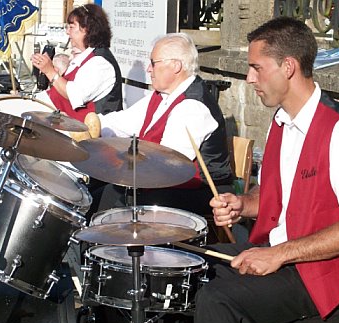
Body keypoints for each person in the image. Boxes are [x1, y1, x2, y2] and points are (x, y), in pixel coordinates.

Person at [193, 16, 339, 323]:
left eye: (257, 67)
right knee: (198, 271)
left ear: (287, 66)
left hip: (322, 272)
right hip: (285, 255)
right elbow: (278, 196)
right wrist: (242, 204)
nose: (249, 77)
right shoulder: (281, 121)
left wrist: (279, 253)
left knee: (217, 299)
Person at [79, 32, 233, 218]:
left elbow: (167, 164)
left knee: (111, 201)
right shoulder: (162, 95)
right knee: (92, 196)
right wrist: (86, 128)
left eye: (153, 63)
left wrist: (117, 161)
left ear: (176, 66)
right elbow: (124, 121)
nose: (148, 70)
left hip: (197, 193)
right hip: (162, 183)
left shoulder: (193, 106)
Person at [31, 4, 122, 122]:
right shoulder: (84, 58)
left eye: (72, 27)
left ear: (86, 29)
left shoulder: (100, 63)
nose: (67, 32)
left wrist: (50, 71)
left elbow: (74, 94)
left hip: (91, 136)